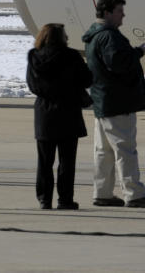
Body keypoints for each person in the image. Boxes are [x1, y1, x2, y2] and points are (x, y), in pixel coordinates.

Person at [83, 0, 145, 208]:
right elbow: (117, 63)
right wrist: (138, 52)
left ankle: (103, 192)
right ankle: (134, 193)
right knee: (125, 149)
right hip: (117, 101)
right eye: (119, 11)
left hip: (103, 101)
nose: (123, 15)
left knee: (104, 151)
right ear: (107, 12)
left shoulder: (94, 35)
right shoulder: (109, 36)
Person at [26, 23, 92, 210]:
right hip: (68, 111)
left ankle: (44, 199)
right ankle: (65, 199)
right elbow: (87, 79)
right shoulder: (71, 56)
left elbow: (32, 86)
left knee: (45, 161)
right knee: (67, 161)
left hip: (44, 113)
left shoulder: (34, 56)